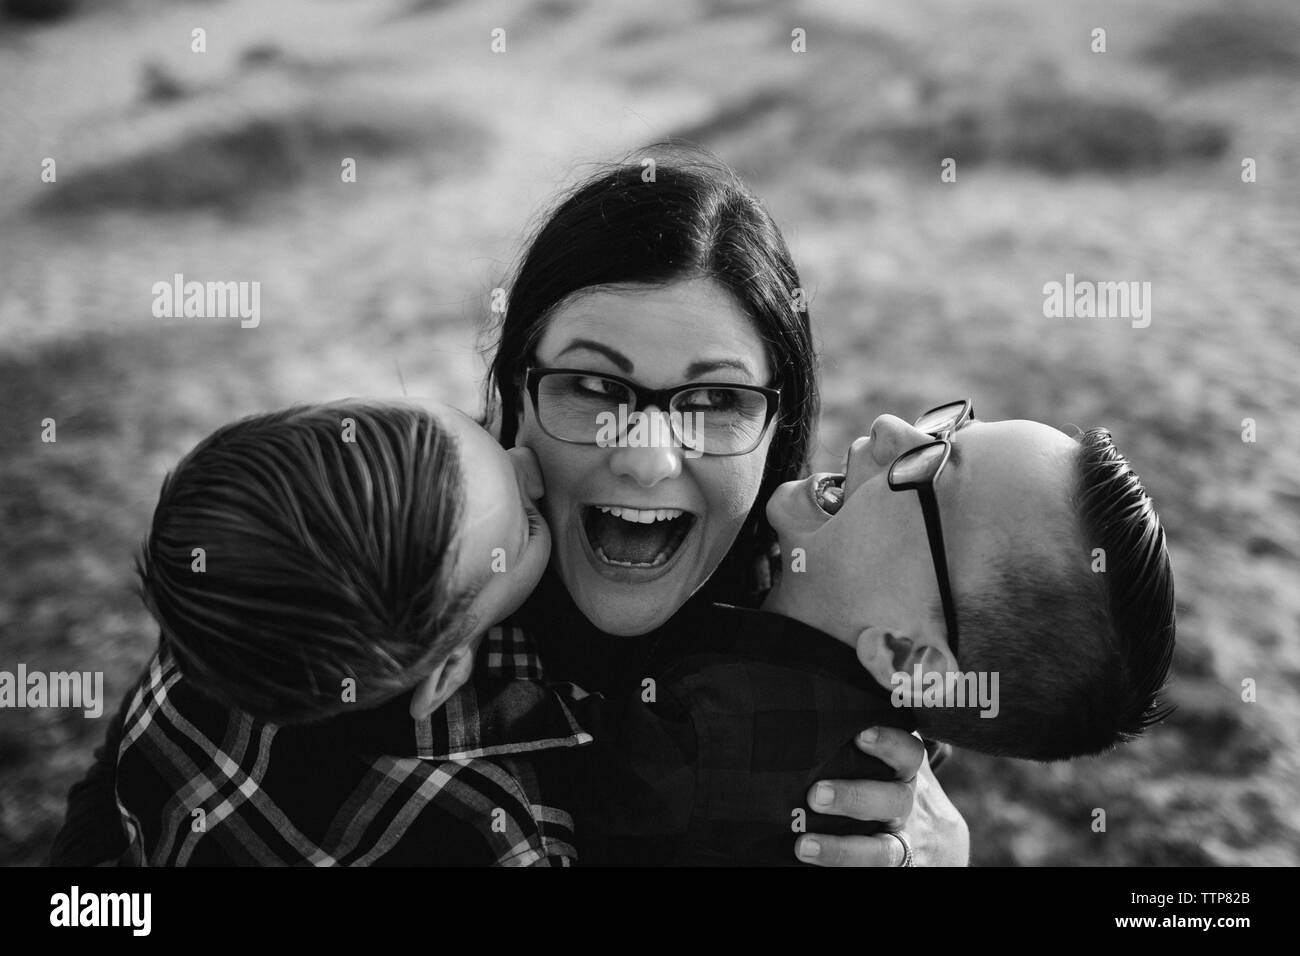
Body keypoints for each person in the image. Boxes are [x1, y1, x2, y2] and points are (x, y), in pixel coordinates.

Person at [50, 145, 968, 866]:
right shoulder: (363, 557)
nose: (646, 461)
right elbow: (117, 795)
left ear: (779, 427)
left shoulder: (826, 650)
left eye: (715, 400)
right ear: (517, 391)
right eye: (591, 385)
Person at [562, 403, 1177, 864]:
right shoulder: (882, 740)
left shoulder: (709, 737)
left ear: (907, 657)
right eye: (947, 427)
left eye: (932, 466)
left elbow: (517, 755)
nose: (889, 428)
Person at [112, 400, 597, 865]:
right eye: (528, 526)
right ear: (447, 671)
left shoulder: (202, 649)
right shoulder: (498, 822)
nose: (528, 462)